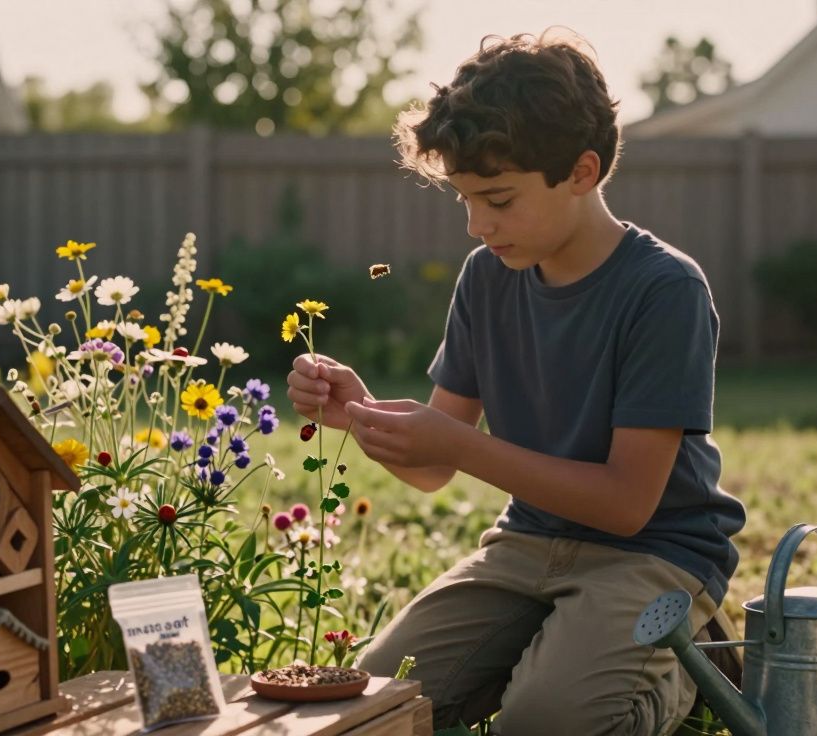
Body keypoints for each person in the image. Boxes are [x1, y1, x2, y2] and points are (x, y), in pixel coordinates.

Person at [286, 28, 746, 736]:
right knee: (377, 705)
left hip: (653, 554)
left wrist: (459, 446)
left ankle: (687, 660)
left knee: (543, 722)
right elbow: (438, 464)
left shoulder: (663, 290)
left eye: (498, 199)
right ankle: (572, 650)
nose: (477, 225)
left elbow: (627, 505)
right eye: (466, 200)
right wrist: (363, 415)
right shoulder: (487, 279)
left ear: (582, 172)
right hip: (527, 545)